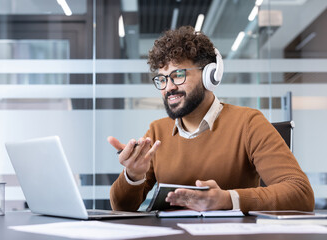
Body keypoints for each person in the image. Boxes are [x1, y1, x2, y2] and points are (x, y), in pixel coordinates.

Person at [107, 26, 314, 213]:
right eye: (162, 78)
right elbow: (122, 207)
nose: (169, 87)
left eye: (178, 74)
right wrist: (133, 176)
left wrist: (227, 199)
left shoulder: (249, 123)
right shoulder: (157, 132)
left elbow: (300, 193)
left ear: (210, 75)